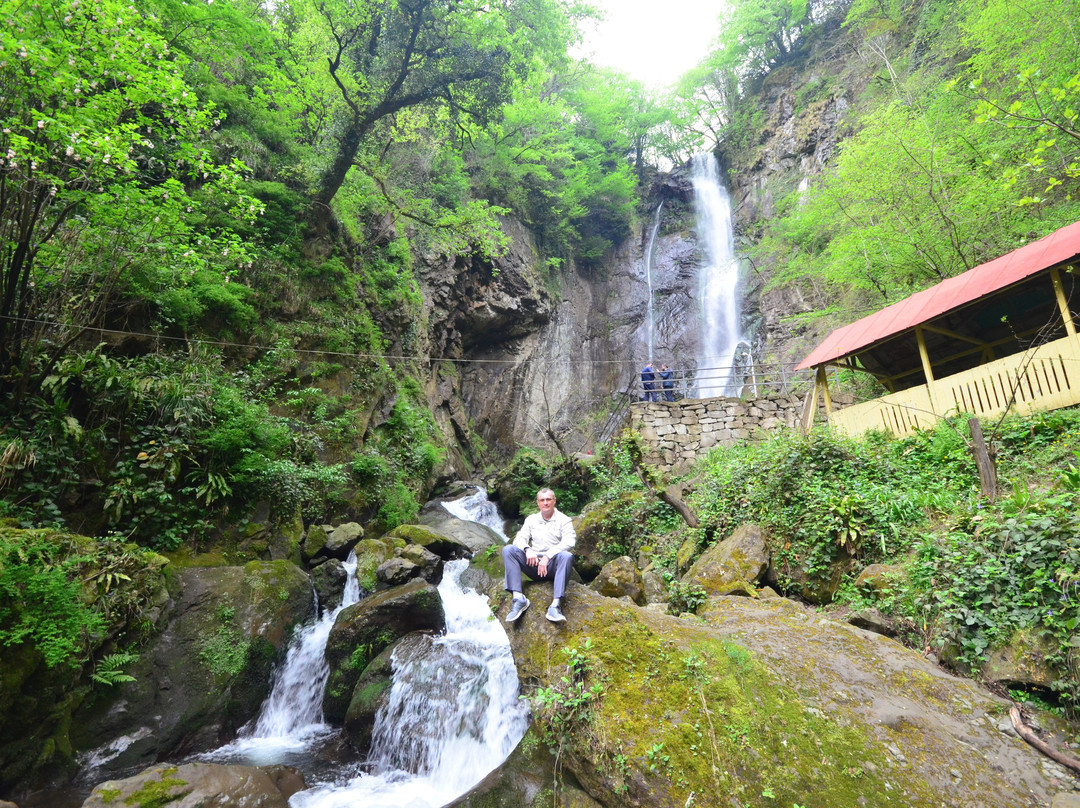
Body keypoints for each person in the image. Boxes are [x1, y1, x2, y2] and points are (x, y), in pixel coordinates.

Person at [503, 488, 576, 623]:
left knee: (566, 556)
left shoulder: (564, 520)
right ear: (538, 503)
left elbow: (570, 540)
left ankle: (555, 606)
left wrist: (548, 556)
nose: (545, 503)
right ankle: (519, 599)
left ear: (554, 501)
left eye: (548, 499)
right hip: (534, 565)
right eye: (542, 500)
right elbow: (519, 539)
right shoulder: (531, 520)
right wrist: (527, 549)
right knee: (508, 550)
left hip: (553, 567)